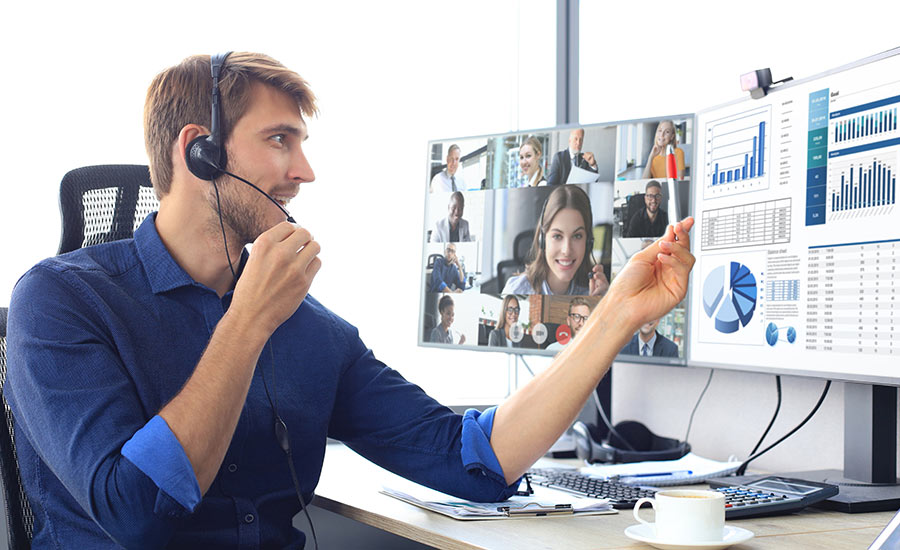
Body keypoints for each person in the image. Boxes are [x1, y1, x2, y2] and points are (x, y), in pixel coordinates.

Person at [5, 51, 695, 549]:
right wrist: (246, 322)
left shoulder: (313, 333)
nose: (305, 172)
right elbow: (136, 514)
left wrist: (617, 318)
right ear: (199, 152)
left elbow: (475, 459)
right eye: (280, 141)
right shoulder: (61, 302)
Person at [502, 185, 609, 296]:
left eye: (577, 236)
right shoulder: (516, 291)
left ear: (588, 242)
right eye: (557, 236)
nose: (567, 250)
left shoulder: (593, 291)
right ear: (542, 240)